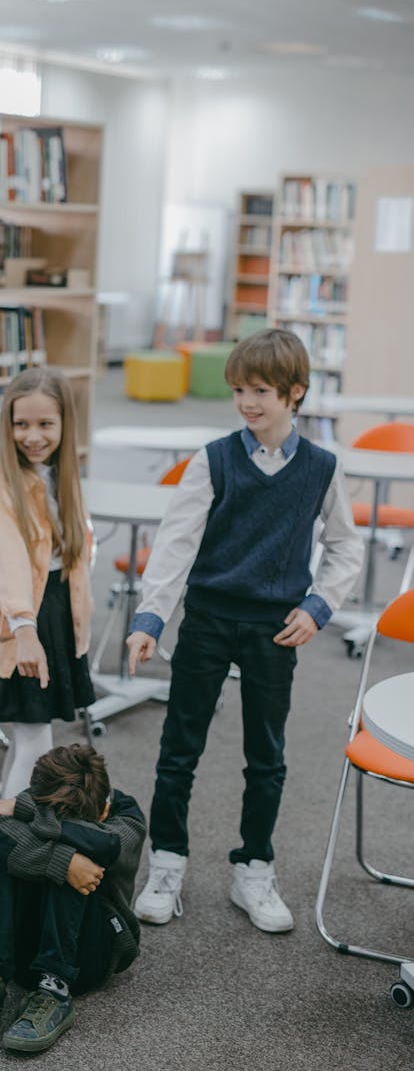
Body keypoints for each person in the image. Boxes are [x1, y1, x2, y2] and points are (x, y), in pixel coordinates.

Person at [127, 328, 364, 934]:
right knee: (179, 749)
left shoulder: (320, 469)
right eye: (239, 389)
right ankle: (167, 862)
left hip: (274, 631)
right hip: (207, 620)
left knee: (268, 756)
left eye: (261, 390)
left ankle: (254, 867)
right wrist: (150, 619)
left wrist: (317, 608)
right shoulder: (214, 459)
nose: (247, 402)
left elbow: (345, 549)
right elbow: (175, 543)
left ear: (295, 393)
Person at [0, 742, 146, 1054]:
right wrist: (60, 858)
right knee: (27, 855)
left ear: (103, 810)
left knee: (74, 860)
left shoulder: (127, 817)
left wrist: (26, 812)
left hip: (90, 958)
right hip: (24, 958)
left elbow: (105, 844)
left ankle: (55, 993)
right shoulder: (49, 793)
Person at [0, 365, 95, 797]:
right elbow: (8, 564)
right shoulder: (1, 485)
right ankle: (14, 837)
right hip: (20, 620)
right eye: (21, 424)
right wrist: (24, 629)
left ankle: (2, 819)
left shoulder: (63, 477)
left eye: (45, 424)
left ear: (64, 425)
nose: (32, 436)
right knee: (38, 743)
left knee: (29, 734)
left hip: (56, 613)